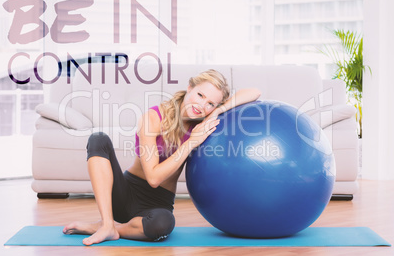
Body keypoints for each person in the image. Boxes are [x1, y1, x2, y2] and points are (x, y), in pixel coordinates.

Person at [63, 69, 261, 245]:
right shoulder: (154, 118)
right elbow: (154, 178)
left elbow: (255, 92)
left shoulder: (201, 123)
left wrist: (218, 110)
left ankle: (112, 230)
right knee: (98, 139)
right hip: (125, 193)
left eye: (209, 103)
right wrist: (191, 141)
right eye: (200, 95)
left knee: (163, 224)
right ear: (189, 87)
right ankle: (106, 223)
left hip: (158, 205)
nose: (202, 105)